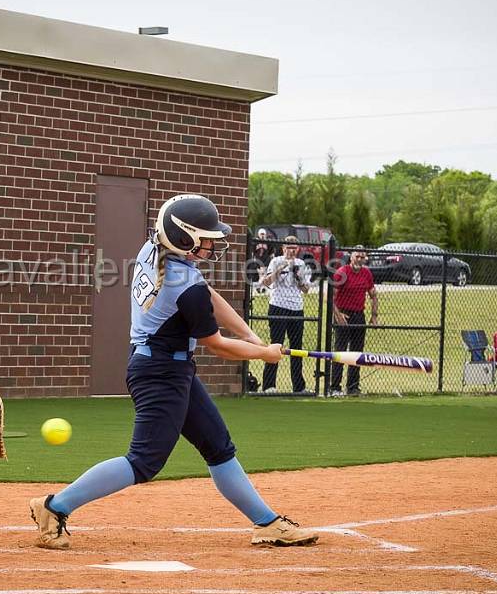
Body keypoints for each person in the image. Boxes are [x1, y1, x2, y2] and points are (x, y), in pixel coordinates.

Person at [28, 194, 318, 550]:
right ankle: (53, 508)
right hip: (160, 372)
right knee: (144, 461)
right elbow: (217, 345)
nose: (213, 244)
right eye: (206, 237)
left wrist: (250, 334)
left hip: (169, 367)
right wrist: (263, 354)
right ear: (184, 239)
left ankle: (267, 523)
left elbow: (209, 295)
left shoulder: (154, 250)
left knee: (218, 446)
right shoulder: (185, 287)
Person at [259, 235, 311, 392]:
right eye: (288, 247)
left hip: (296, 309)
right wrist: (281, 269)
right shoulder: (276, 261)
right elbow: (266, 282)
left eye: (294, 248)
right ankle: (269, 385)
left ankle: (298, 387)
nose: (291, 251)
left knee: (297, 347)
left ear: (298, 249)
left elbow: (306, 289)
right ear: (283, 249)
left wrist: (298, 276)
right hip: (278, 306)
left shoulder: (302, 264)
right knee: (276, 344)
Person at [330, 246, 378, 396]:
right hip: (343, 314)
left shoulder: (366, 273)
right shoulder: (342, 272)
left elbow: (373, 295)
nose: (359, 260)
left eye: (362, 257)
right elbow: (330, 296)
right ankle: (335, 387)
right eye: (357, 256)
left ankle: (353, 387)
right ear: (351, 257)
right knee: (340, 352)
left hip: (358, 315)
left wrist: (374, 316)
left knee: (357, 353)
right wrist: (338, 314)